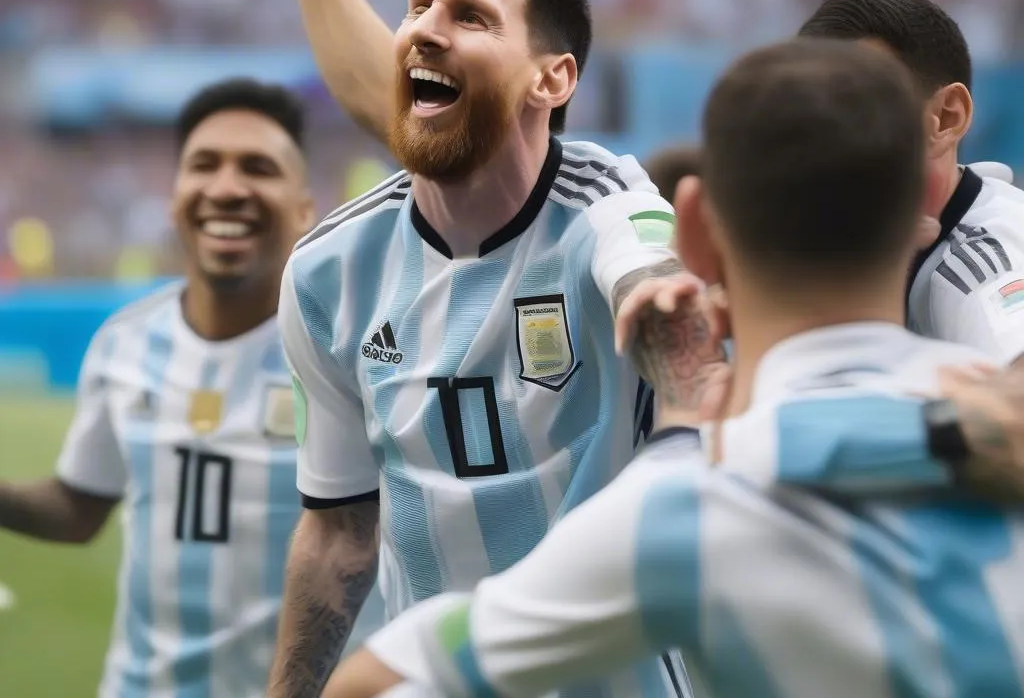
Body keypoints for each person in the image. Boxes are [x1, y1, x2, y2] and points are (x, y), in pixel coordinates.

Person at [327, 39, 1024, 698]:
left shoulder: (689, 506)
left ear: (692, 230)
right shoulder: (994, 424)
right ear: (920, 222)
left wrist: (681, 439)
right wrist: (937, 439)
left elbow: (374, 681)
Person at [261, 0, 705, 698]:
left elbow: (662, 294)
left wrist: (685, 390)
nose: (423, 26)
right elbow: (339, 532)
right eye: (417, 7)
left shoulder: (609, 210)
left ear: (554, 79)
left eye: (470, 16)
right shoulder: (329, 270)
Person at [0, 79, 331, 697]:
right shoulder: (124, 343)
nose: (226, 187)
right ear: (175, 193)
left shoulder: (342, 352)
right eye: (203, 165)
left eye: (257, 168)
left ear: (305, 207)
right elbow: (79, 509)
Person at [713, 0, 1024, 498]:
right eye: (809, 109)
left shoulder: (977, 260)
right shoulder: (845, 250)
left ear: (946, 118)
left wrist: (789, 444)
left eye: (862, 103)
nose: (827, 132)